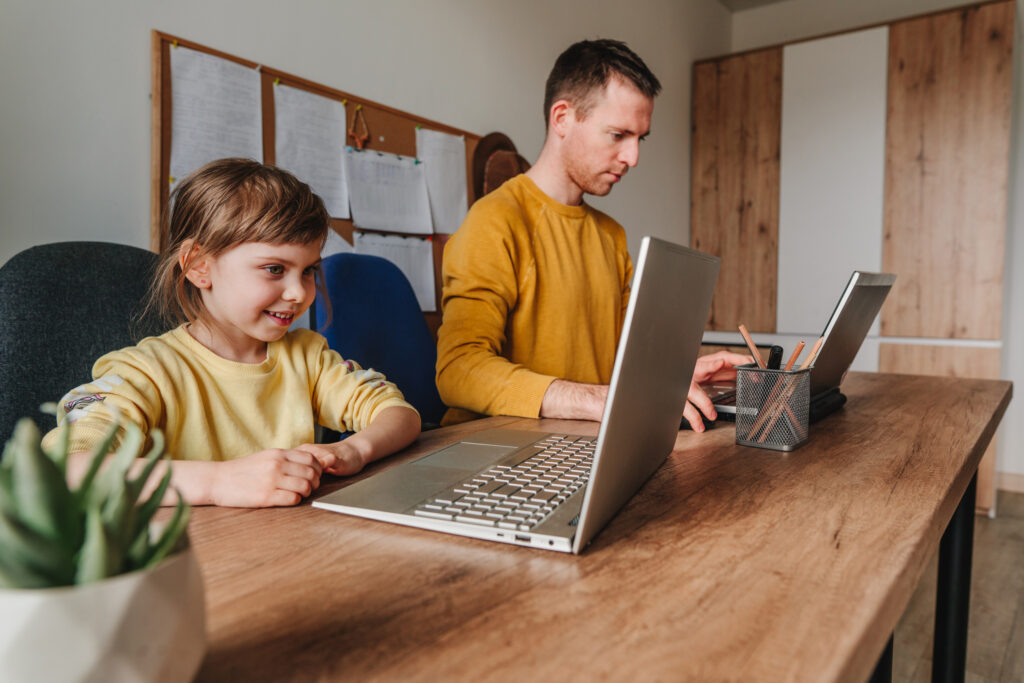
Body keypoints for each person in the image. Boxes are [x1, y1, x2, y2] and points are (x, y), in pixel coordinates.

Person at [42, 158, 421, 507]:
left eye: (308, 271)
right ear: (198, 266)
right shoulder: (146, 372)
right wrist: (216, 481)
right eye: (275, 269)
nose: (299, 293)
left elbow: (399, 415)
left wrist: (355, 450)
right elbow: (68, 471)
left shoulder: (309, 357)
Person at [436, 39, 749, 432]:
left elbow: (625, 359)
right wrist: (593, 398)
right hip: (497, 451)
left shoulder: (611, 236)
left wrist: (675, 377)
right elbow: (458, 370)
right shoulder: (493, 221)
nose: (633, 158)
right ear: (563, 118)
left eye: (640, 138)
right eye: (618, 135)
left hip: (587, 441)